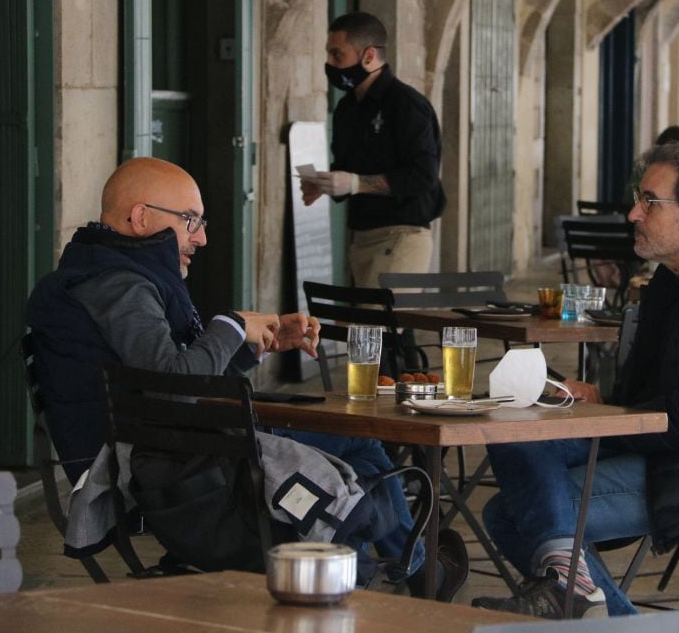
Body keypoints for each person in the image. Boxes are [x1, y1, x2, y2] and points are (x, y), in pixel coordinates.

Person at [27, 157, 466, 598]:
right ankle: (382, 572)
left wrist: (257, 344)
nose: (201, 236)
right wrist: (232, 325)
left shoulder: (110, 273)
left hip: (178, 448)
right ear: (141, 218)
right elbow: (172, 386)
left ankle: (390, 568)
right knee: (354, 444)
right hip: (161, 468)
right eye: (189, 220)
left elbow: (176, 381)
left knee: (356, 446)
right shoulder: (118, 285)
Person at [472, 142, 679, 619]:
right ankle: (577, 589)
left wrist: (608, 421)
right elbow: (647, 395)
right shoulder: (675, 279)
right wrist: (599, 400)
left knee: (513, 512)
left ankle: (587, 600)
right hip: (678, 444)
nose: (634, 212)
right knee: (513, 429)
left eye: (650, 202)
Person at [301, 11, 446, 288]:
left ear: (368, 56)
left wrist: (355, 183)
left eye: (337, 55)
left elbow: (423, 176)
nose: (330, 64)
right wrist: (325, 183)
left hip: (402, 234)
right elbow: (347, 165)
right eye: (328, 55)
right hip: (362, 236)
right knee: (368, 328)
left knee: (387, 326)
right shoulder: (346, 109)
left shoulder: (406, 104)